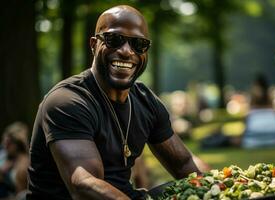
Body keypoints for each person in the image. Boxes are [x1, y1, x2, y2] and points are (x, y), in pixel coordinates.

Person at [27, 5, 208, 200]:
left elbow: (184, 164)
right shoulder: (67, 102)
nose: (126, 52)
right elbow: (84, 185)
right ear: (94, 44)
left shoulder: (145, 101)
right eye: (115, 40)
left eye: (138, 44)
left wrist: (222, 189)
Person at [0, 122, 29, 200]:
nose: (5, 146)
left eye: (8, 143)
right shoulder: (4, 155)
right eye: (4, 142)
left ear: (16, 145)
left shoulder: (23, 164)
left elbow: (19, 195)